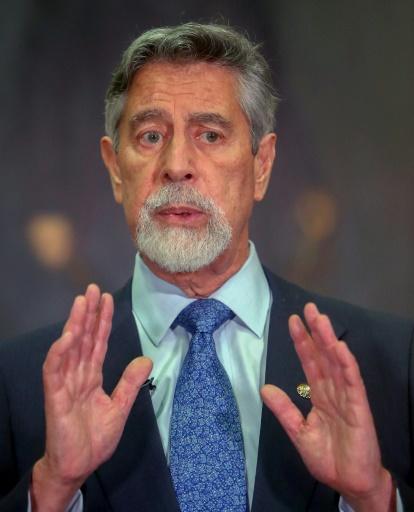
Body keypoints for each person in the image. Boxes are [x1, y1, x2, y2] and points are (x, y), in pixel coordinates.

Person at [0, 22, 413, 512]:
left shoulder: (390, 362)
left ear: (262, 165)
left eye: (210, 135)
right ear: (115, 169)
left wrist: (373, 498)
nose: (177, 164)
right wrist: (52, 489)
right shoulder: (18, 382)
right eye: (151, 136)